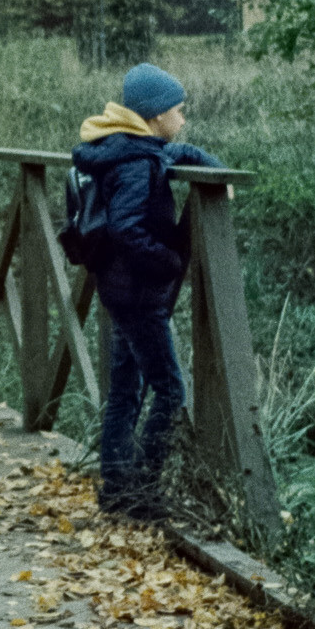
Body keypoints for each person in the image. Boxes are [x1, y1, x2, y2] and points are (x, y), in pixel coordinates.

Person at [70, 61, 215, 522]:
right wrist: (169, 261)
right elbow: (126, 228)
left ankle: (118, 489)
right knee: (170, 392)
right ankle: (146, 493)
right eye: (178, 110)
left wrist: (213, 168)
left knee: (125, 389)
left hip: (117, 287)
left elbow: (173, 151)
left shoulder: (126, 147)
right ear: (154, 116)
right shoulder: (136, 162)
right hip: (137, 292)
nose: (183, 118)